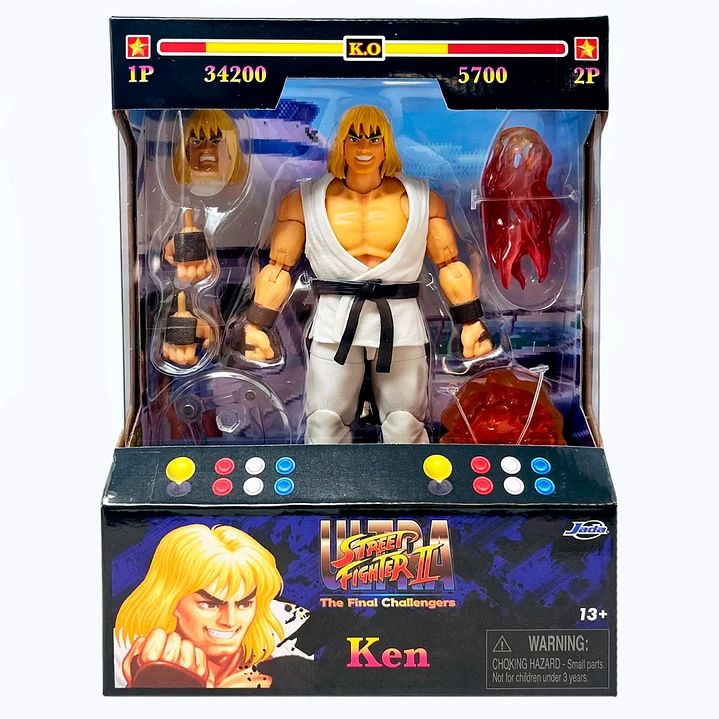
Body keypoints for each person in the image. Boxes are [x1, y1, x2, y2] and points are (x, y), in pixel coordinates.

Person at [242, 105, 493, 444]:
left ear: (386, 145)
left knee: (405, 425)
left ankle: (409, 481)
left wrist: (470, 321)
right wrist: (258, 325)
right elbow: (278, 268)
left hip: (401, 325)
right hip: (334, 325)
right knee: (324, 424)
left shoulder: (422, 199)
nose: (364, 147)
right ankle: (329, 481)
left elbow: (449, 264)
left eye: (374, 139)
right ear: (341, 145)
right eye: (354, 138)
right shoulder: (303, 200)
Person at [114, 524, 310, 689]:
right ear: (170, 601)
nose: (230, 620)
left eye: (244, 604)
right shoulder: (121, 650)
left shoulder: (292, 649)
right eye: (209, 604)